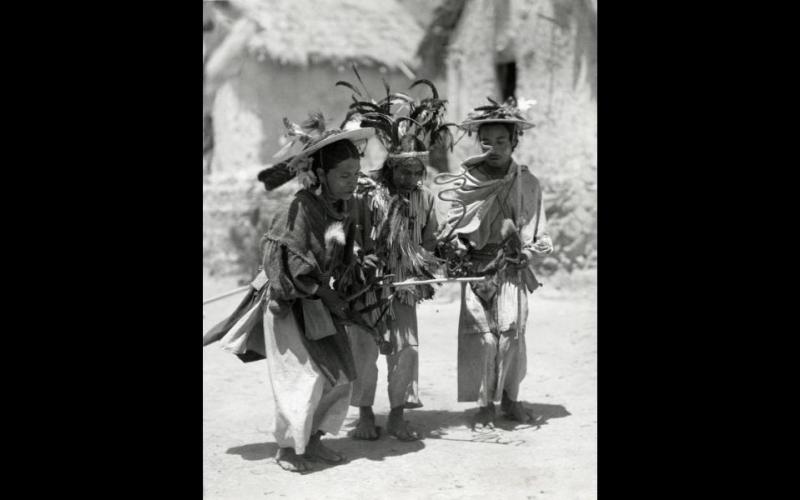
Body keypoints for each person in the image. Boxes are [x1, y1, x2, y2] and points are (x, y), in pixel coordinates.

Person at [255, 113, 376, 472]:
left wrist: (356, 262)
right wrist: (326, 292)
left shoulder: (343, 208)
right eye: (344, 176)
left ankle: (316, 440)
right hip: (288, 302)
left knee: (338, 373)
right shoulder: (300, 208)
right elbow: (293, 263)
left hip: (320, 302)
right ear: (321, 175)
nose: (353, 182)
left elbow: (337, 246)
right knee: (302, 377)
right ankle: (290, 450)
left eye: (356, 174)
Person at [336, 76, 450, 441]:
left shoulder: (426, 197)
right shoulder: (365, 193)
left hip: (403, 288)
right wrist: (356, 258)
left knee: (406, 349)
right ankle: (366, 413)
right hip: (365, 287)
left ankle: (398, 413)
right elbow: (342, 231)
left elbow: (433, 238)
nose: (411, 178)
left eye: (418, 171)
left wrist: (426, 263)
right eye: (404, 170)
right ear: (389, 166)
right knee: (365, 351)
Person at [437, 98, 553, 430]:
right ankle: (485, 404)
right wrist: (456, 248)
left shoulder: (527, 183)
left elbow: (539, 233)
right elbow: (452, 227)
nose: (493, 147)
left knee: (513, 331)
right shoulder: (466, 181)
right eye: (486, 141)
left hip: (512, 270)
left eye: (501, 141)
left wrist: (526, 254)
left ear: (514, 141)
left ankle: (511, 398)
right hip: (476, 268)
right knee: (483, 338)